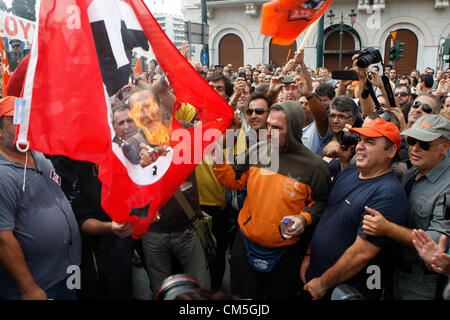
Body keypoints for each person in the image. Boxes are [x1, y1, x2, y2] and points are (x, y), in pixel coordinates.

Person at [214, 100, 331, 300]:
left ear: (294, 129)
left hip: (287, 253)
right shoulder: (257, 151)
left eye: (276, 128)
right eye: (268, 125)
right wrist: (216, 152)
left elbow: (321, 204)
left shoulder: (315, 167)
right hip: (246, 243)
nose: (269, 132)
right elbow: (233, 181)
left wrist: (304, 218)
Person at [303, 118, 409, 300]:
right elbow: (328, 216)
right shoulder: (348, 172)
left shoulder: (388, 194)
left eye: (369, 142)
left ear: (391, 151)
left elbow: (361, 254)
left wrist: (322, 283)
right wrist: (309, 253)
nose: (360, 146)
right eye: (359, 139)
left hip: (347, 291)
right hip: (316, 277)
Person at [0, 96, 81, 300]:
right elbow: (3, 238)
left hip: (69, 269)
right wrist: (28, 289)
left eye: (25, 119)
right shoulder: (2, 175)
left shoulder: (38, 155)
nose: (23, 125)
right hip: (40, 284)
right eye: (15, 120)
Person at [362, 114, 450, 299]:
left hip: (422, 284)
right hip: (394, 273)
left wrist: (387, 228)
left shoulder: (447, 187)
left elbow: (433, 243)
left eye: (424, 144)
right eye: (411, 141)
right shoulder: (413, 171)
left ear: (445, 148)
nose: (415, 148)